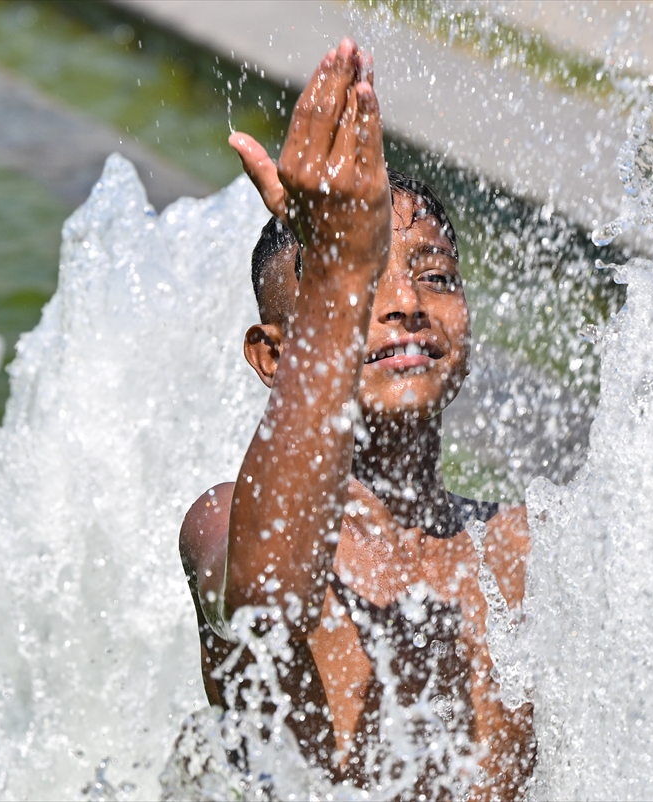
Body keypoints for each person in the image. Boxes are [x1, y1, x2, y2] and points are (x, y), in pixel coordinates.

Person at [178, 39, 534, 800]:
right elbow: (268, 599)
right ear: (275, 356)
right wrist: (338, 270)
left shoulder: (525, 547)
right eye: (371, 283)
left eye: (434, 277)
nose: (405, 303)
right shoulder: (224, 524)